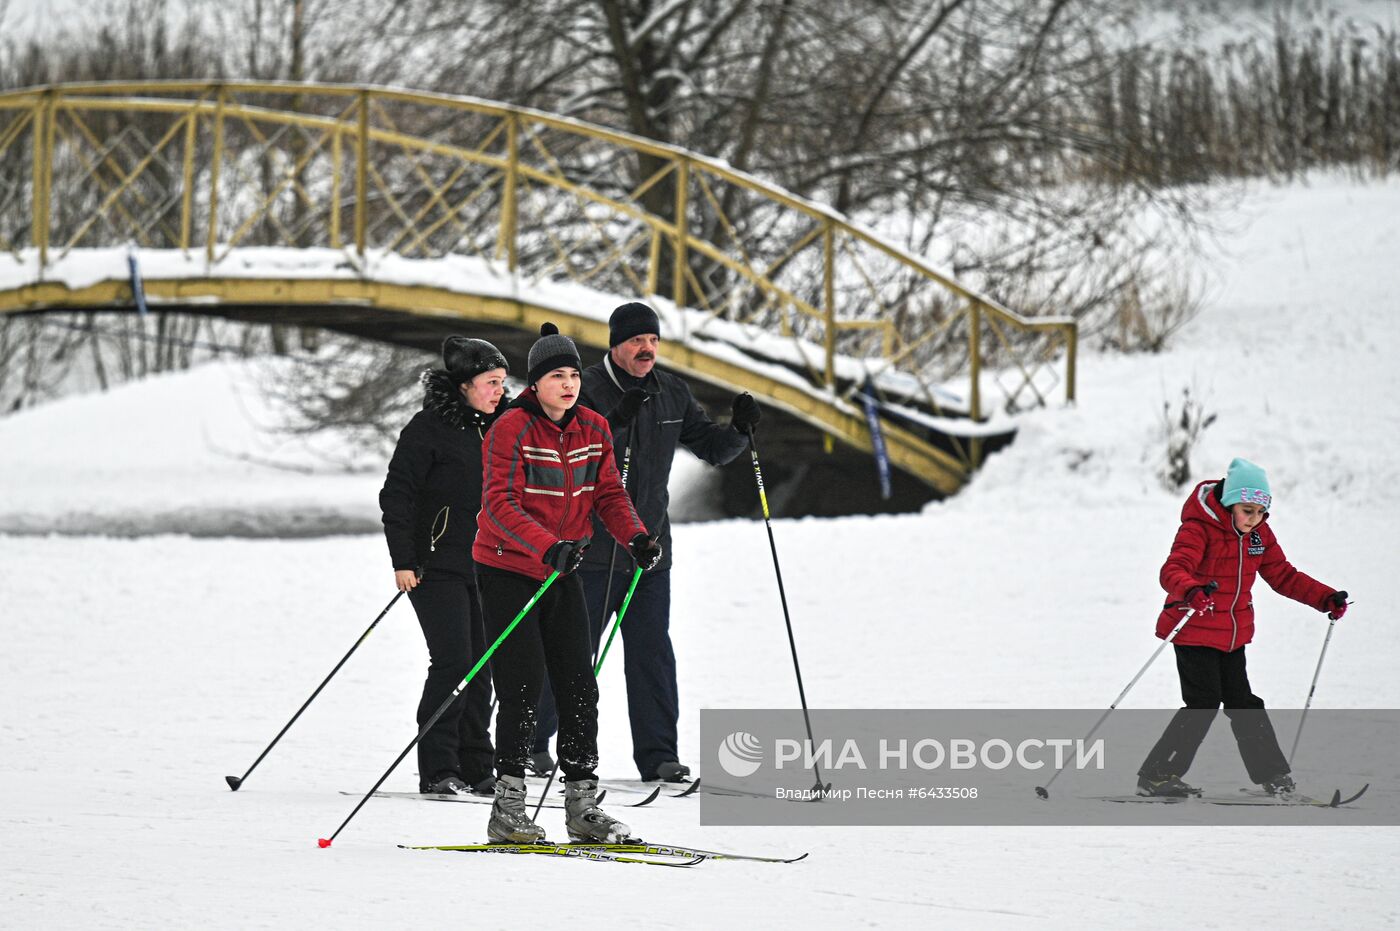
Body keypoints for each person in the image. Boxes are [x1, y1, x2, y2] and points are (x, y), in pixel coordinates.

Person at [531, 301, 760, 783]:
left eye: (653, 341)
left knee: (652, 652)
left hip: (648, 551)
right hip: (587, 551)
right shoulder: (584, 387)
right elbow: (564, 448)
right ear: (616, 345)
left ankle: (659, 756)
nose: (647, 349)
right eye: (638, 341)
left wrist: (739, 431)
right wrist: (615, 419)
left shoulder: (671, 391)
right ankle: (535, 745)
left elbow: (712, 449)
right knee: (572, 652)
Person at [474, 322, 664, 843]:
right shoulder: (511, 428)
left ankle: (582, 804)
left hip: (562, 570)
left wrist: (638, 538)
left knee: (580, 686)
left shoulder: (593, 427)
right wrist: (545, 546)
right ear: (535, 384)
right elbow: (499, 503)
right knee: (521, 687)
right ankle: (508, 809)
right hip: (508, 568)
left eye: (574, 375)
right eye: (556, 375)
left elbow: (608, 494)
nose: (569, 384)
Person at [1136, 457, 1348, 798]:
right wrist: (1191, 590)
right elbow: (1173, 569)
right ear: (1229, 503)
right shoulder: (1198, 528)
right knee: (1204, 702)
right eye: (1247, 510)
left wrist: (1325, 598)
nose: (1255, 519)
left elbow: (1283, 575)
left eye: (1262, 512)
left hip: (1232, 635)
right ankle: (1157, 776)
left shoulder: (1258, 535)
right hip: (1194, 629)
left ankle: (1275, 776)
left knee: (1244, 703)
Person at [379, 337, 510, 796]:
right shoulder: (427, 429)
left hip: (489, 566)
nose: (499, 390)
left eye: (502, 382)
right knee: (454, 662)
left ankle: (477, 766)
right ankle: (437, 769)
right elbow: (396, 496)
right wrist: (404, 560)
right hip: (435, 566)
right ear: (464, 386)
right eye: (490, 382)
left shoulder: (505, 429)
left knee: (484, 666)